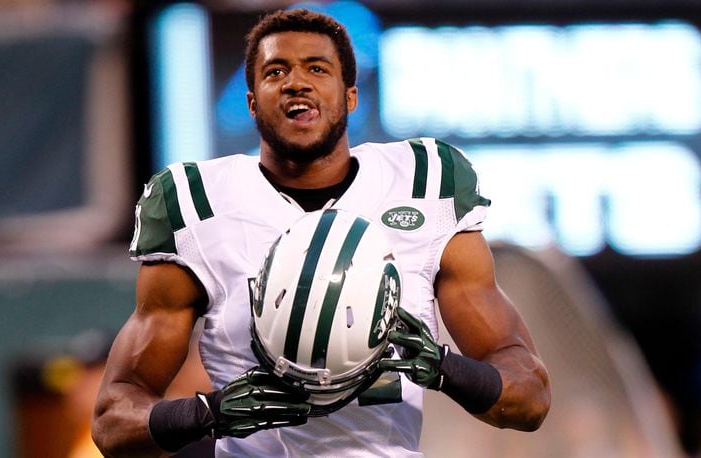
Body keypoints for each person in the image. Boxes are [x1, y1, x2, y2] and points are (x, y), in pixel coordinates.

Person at [91, 8, 550, 457]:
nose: (296, 81)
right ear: (251, 102)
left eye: (317, 67)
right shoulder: (197, 207)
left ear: (350, 96)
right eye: (275, 72)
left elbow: (529, 398)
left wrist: (445, 368)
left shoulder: (424, 185)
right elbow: (113, 422)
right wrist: (210, 414)